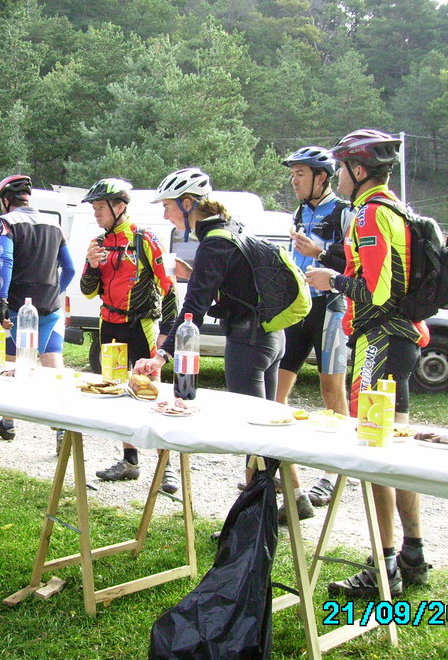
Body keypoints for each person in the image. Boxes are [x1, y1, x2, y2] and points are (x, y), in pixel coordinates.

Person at [306, 129, 431, 599]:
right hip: (400, 339)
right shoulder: (394, 208)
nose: (337, 175)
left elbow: (377, 291)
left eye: (339, 167)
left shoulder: (372, 215)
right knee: (394, 451)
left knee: (376, 455)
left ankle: (384, 564)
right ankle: (412, 553)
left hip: (381, 341)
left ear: (358, 170)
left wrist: (331, 278)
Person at [134, 167, 285, 425]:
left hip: (247, 341)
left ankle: (265, 467)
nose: (165, 214)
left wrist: (161, 356)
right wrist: (195, 274)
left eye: (168, 206)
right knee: (269, 429)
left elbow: (195, 306)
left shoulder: (213, 243)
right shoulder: (231, 227)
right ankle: (277, 468)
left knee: (254, 431)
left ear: (187, 203)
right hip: (272, 336)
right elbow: (237, 283)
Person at [77, 178, 181, 493]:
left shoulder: (145, 239)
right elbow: (87, 290)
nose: (96, 214)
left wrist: (167, 334)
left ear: (119, 206)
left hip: (140, 326)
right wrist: (92, 265)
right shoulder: (98, 243)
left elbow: (169, 288)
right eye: (94, 208)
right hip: (108, 327)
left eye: (100, 208)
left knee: (153, 395)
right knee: (117, 393)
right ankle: (130, 461)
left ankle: (167, 468)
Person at [273, 146, 352, 523]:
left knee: (330, 391)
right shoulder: (301, 211)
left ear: (322, 177)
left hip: (331, 307)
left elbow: (355, 260)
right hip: (299, 306)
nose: (294, 181)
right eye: (292, 175)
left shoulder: (344, 212)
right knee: (277, 391)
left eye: (300, 174)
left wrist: (322, 250)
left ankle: (334, 473)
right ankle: (283, 472)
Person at [0, 175, 76, 448]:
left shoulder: (6, 222)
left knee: (12, 364)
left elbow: (5, 260)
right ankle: (61, 430)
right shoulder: (54, 223)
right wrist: (56, 293)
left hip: (17, 306)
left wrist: (1, 299)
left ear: (6, 200)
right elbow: (69, 268)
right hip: (50, 305)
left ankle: (8, 423)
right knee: (52, 363)